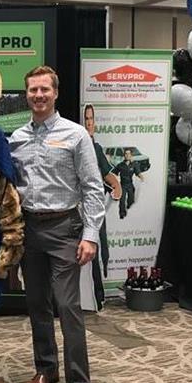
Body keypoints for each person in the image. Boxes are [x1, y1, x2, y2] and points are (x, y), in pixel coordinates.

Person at [9, 66, 104, 383]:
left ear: (56, 93)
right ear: (27, 94)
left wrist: (90, 236)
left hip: (65, 228)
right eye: (32, 90)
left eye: (44, 89)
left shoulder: (76, 135)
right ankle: (46, 369)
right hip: (29, 229)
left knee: (67, 308)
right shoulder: (16, 138)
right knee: (37, 305)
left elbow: (94, 189)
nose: (38, 95)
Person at [82, 104, 117, 305]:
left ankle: (98, 296)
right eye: (86, 118)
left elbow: (107, 174)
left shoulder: (95, 148)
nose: (89, 122)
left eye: (91, 118)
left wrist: (117, 185)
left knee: (95, 248)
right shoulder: (76, 143)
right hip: (77, 208)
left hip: (95, 207)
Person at [113, 149, 144, 219]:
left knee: (131, 199)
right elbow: (114, 173)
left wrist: (142, 177)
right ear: (124, 156)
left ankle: (129, 208)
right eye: (126, 154)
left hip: (130, 184)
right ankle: (122, 213)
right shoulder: (120, 165)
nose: (127, 155)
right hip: (122, 185)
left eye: (128, 154)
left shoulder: (134, 164)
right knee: (122, 200)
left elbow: (138, 173)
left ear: (131, 155)